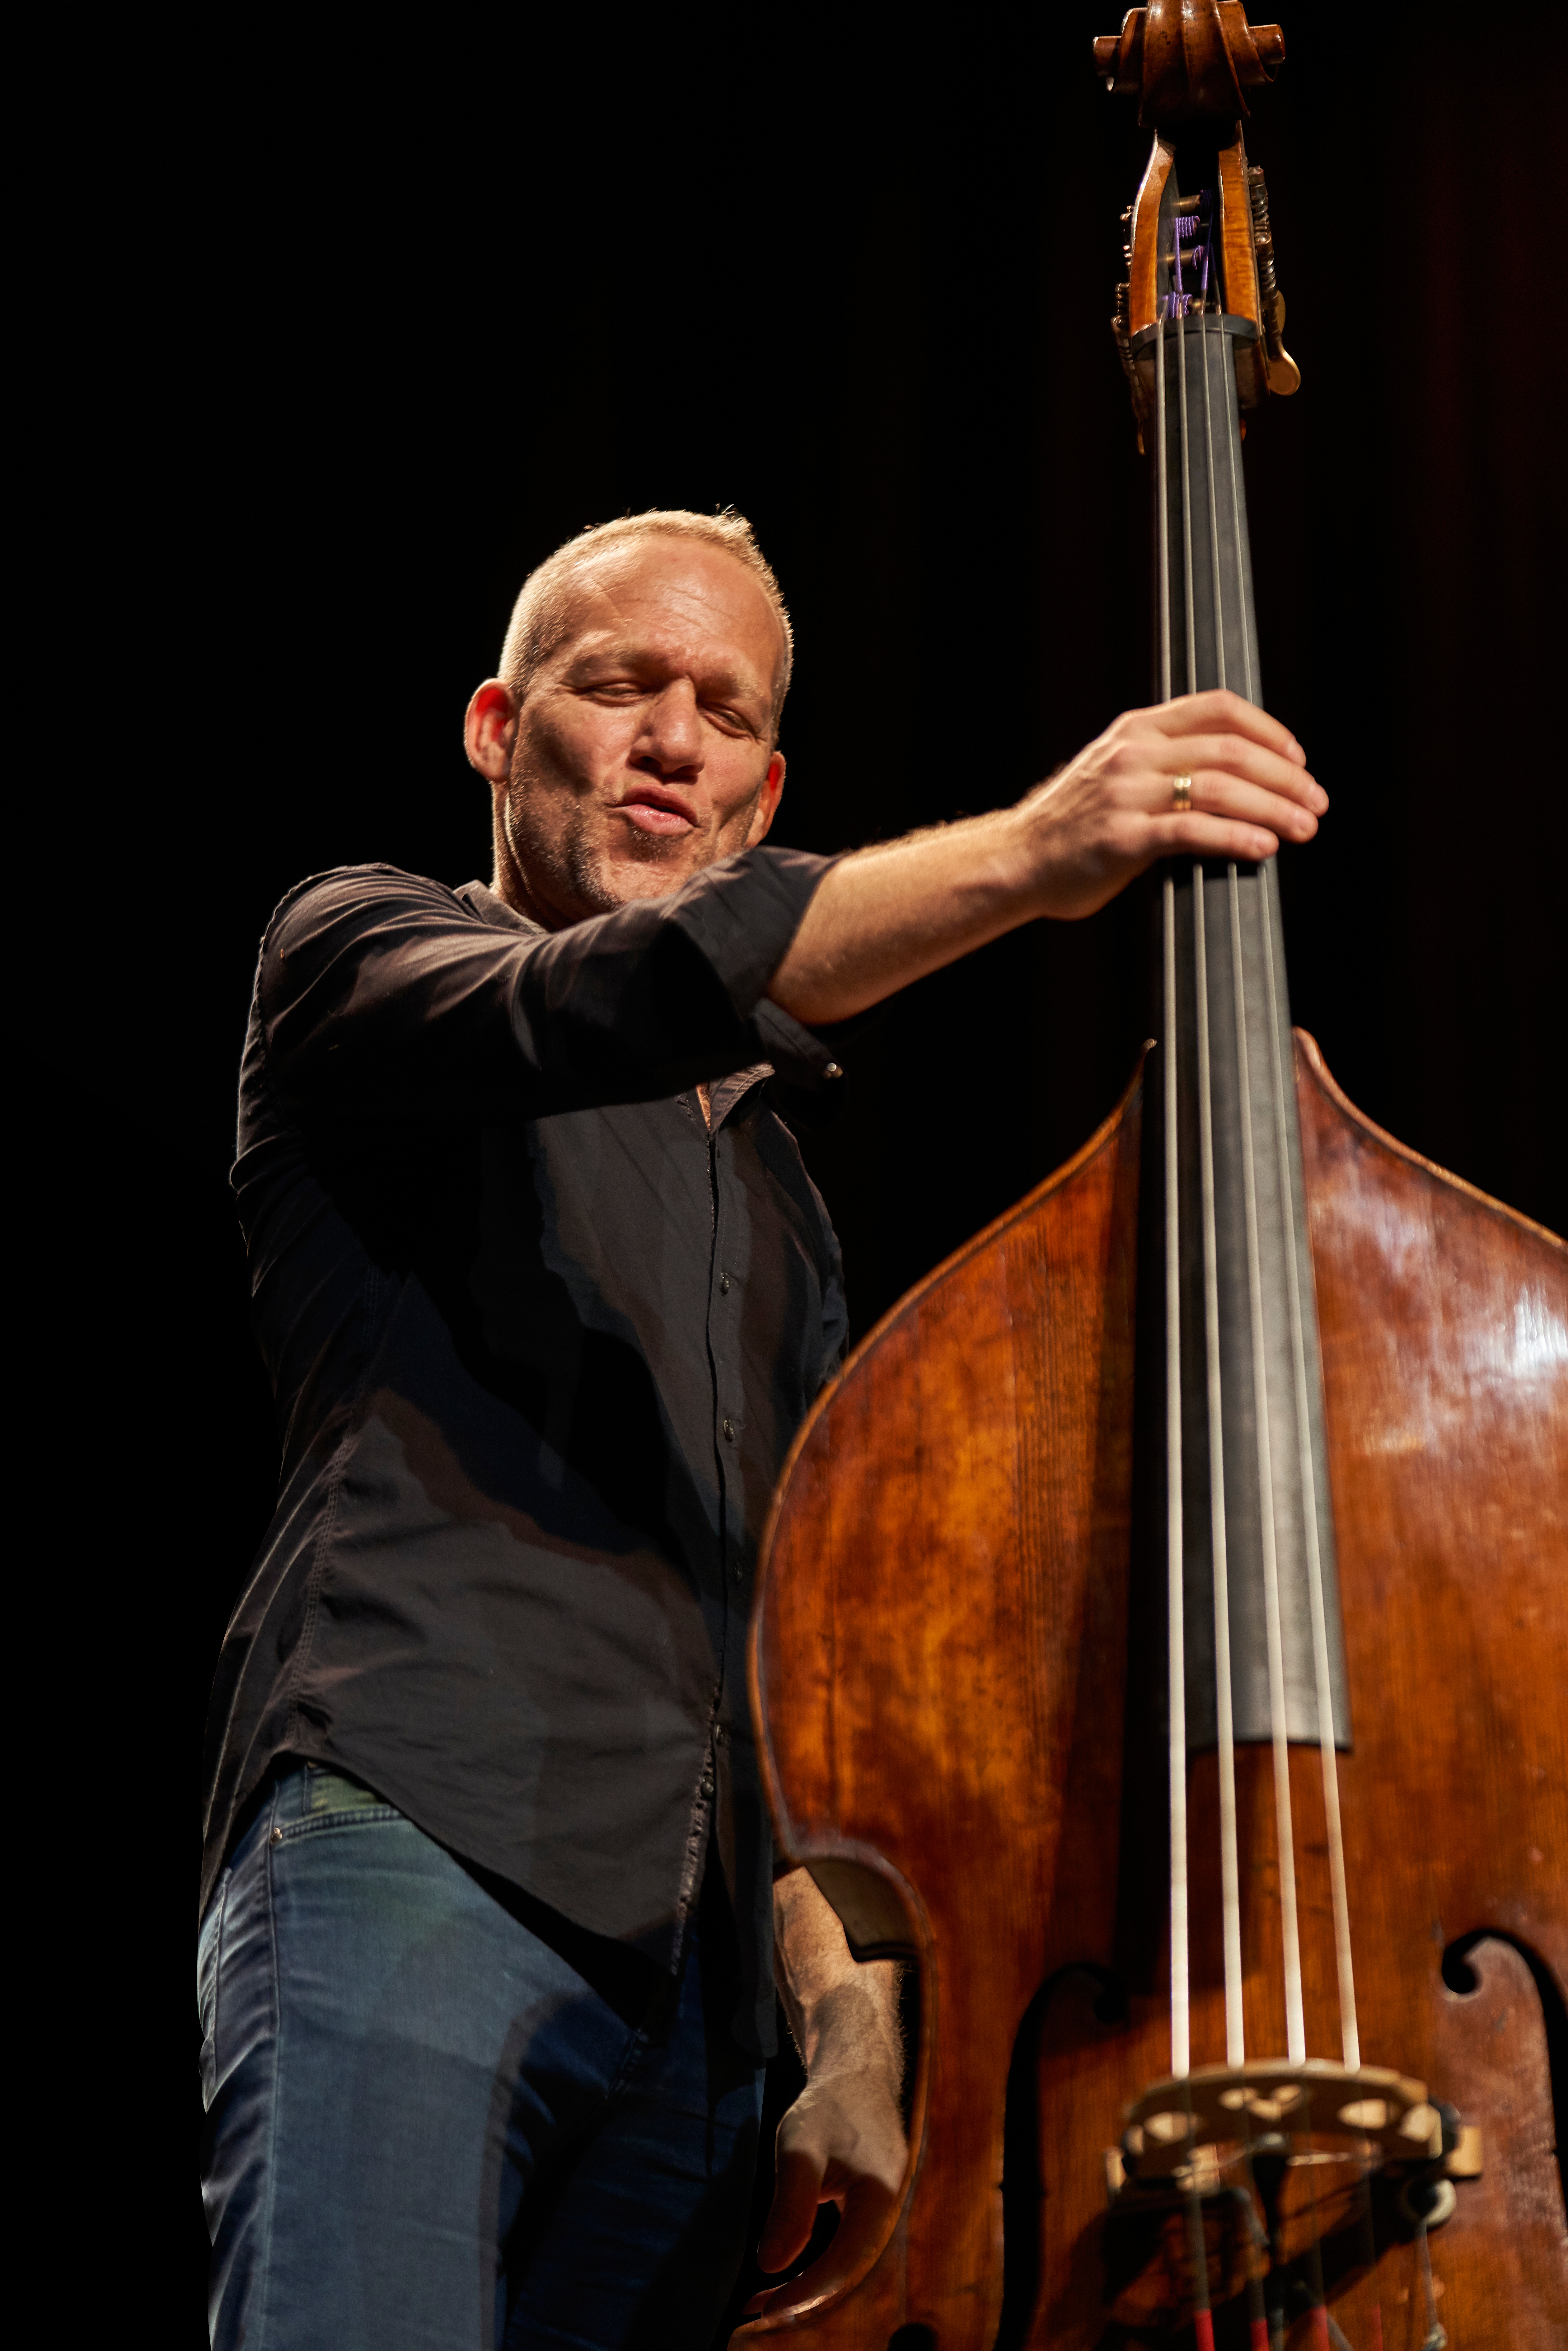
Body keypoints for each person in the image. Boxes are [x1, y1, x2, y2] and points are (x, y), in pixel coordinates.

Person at [199, 507, 1323, 2350]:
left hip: (700, 2011)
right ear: (497, 726)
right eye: (617, 684)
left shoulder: (784, 1207)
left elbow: (770, 1664)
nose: (672, 738)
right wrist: (1043, 850)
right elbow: (605, 997)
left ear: (766, 779)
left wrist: (850, 2010)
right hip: (414, 1843)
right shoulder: (357, 950)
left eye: (722, 710)